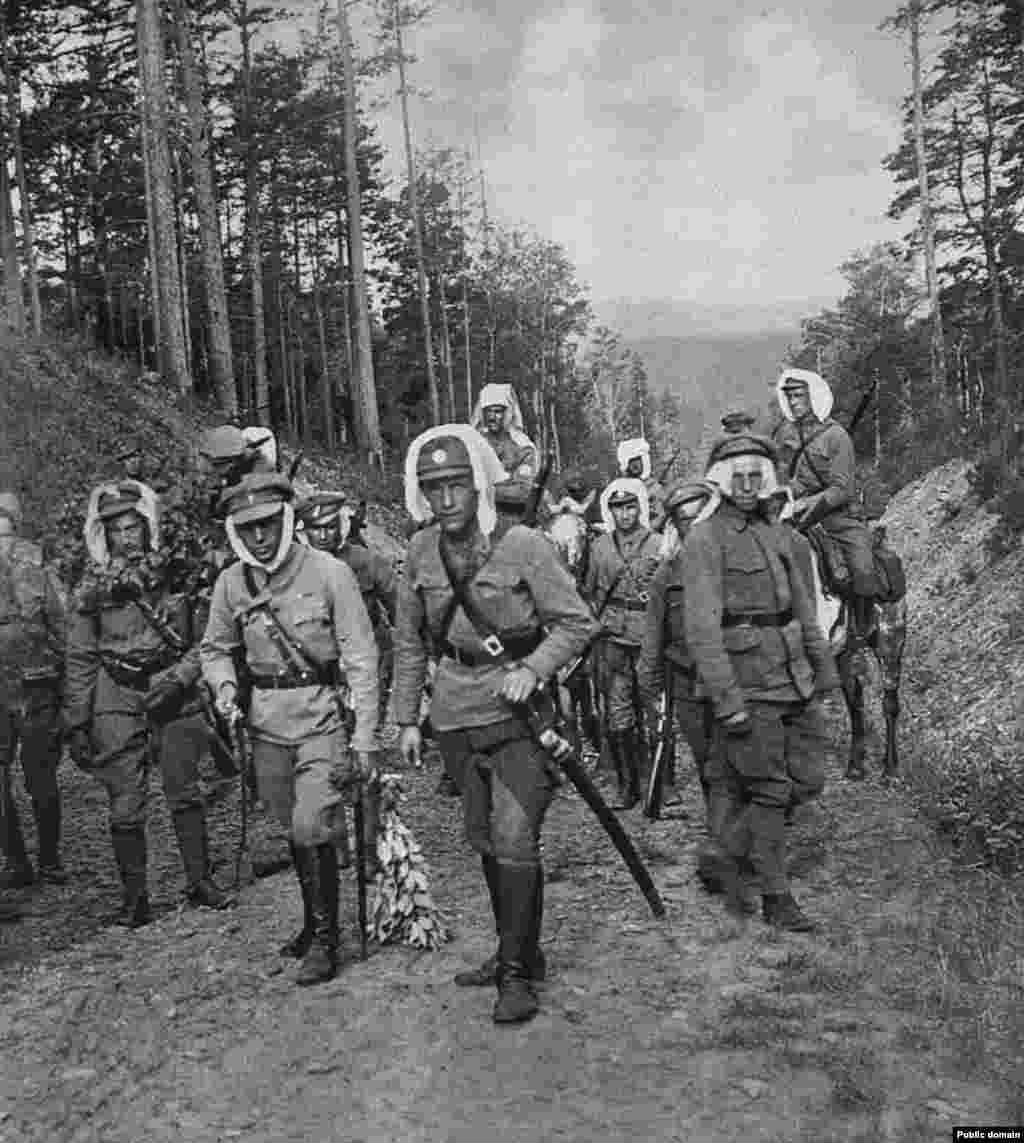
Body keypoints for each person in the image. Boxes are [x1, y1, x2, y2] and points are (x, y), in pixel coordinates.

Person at [392, 425, 596, 1024]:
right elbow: (408, 642)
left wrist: (534, 669)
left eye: (456, 484)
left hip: (519, 716)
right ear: (422, 494)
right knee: (483, 836)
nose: (447, 498)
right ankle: (519, 950)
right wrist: (407, 718)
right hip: (455, 712)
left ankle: (514, 977)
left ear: (477, 484)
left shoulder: (525, 543)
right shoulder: (419, 552)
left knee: (513, 834)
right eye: (434, 488)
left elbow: (576, 623)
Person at [200, 473, 380, 986]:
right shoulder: (232, 583)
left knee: (311, 824)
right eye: (248, 528)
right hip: (266, 726)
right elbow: (214, 649)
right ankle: (312, 921)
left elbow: (362, 656)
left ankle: (326, 940)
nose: (260, 537)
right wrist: (225, 690)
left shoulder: (329, 573)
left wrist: (365, 736)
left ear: (285, 520)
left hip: (322, 718)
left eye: (268, 524)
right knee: (292, 824)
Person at [681, 434, 840, 932]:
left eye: (756, 476)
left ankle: (724, 853)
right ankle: (776, 896)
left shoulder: (778, 533)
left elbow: (803, 608)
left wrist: (823, 670)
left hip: (793, 675)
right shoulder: (704, 539)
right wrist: (726, 699)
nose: (748, 486)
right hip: (746, 679)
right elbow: (702, 629)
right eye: (738, 477)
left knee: (807, 777)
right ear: (723, 482)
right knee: (770, 789)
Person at [63, 481, 232, 928]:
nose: (126, 537)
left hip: (171, 687)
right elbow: (80, 655)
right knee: (124, 800)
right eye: (116, 529)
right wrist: (77, 720)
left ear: (147, 526)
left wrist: (181, 678)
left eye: (133, 526)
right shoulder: (92, 589)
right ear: (104, 535)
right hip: (115, 694)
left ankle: (201, 881)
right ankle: (134, 898)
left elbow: (208, 637)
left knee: (184, 789)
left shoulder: (177, 573)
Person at [295, 489, 396, 869]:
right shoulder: (299, 570)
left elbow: (398, 610)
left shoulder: (366, 562)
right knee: (328, 760)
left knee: (365, 757)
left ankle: (369, 848)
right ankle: (337, 845)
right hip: (319, 676)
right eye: (314, 529)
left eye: (329, 526)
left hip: (363, 670)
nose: (323, 535)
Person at [774, 368, 878, 652]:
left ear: (814, 397)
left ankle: (864, 625)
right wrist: (783, 494)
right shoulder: (794, 435)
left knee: (863, 570)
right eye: (790, 397)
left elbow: (841, 489)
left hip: (839, 518)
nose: (794, 402)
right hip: (804, 518)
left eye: (799, 396)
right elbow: (800, 481)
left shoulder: (837, 436)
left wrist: (807, 502)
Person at [637, 480, 719, 816]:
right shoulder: (665, 577)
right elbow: (653, 642)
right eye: (686, 520)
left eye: (702, 517)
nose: (695, 526)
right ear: (676, 526)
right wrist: (652, 691)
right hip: (688, 685)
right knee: (706, 761)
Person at [0, 492, 67, 890]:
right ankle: (46, 860)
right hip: (37, 680)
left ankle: (21, 862)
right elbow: (61, 621)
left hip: (18, 684)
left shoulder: (37, 562)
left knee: (13, 776)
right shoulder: (37, 561)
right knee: (40, 775)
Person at [583, 478, 663, 808]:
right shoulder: (600, 547)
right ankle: (627, 785)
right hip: (612, 636)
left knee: (654, 709)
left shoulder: (658, 543)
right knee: (618, 712)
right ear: (610, 511)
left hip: (648, 636)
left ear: (640, 508)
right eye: (618, 508)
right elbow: (590, 591)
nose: (625, 514)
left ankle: (662, 783)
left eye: (631, 507)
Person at [470, 383, 539, 479]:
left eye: (497, 411)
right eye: (488, 411)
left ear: (507, 413)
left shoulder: (522, 446)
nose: (491, 417)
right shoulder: (475, 443)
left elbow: (523, 483)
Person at [617, 438, 666, 532]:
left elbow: (661, 516)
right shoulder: (621, 488)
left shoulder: (655, 488)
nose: (635, 464)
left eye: (637, 459)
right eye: (631, 461)